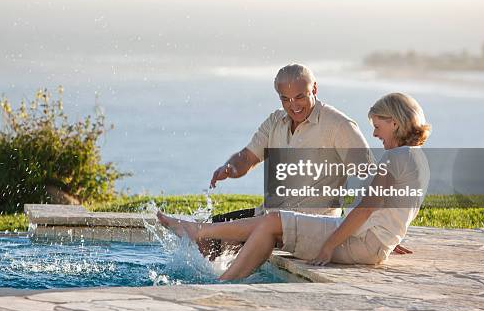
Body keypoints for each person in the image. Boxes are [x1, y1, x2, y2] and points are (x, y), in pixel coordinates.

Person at [158, 92, 431, 280]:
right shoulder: (417, 160)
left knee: (272, 222)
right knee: (271, 223)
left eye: (378, 125)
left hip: (361, 244)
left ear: (394, 123)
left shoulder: (396, 157)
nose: (374, 133)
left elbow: (367, 208)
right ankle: (204, 237)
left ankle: (213, 262)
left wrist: (329, 246)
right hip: (369, 243)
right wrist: (387, 238)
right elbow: (393, 212)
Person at [211, 63, 371, 222]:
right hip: (269, 217)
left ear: (314, 89)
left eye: (300, 97)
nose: (293, 105)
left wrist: (370, 233)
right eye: (286, 99)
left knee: (223, 238)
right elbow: (247, 157)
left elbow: (370, 178)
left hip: (312, 225)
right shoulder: (275, 121)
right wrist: (230, 167)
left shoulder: (339, 125)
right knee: (206, 232)